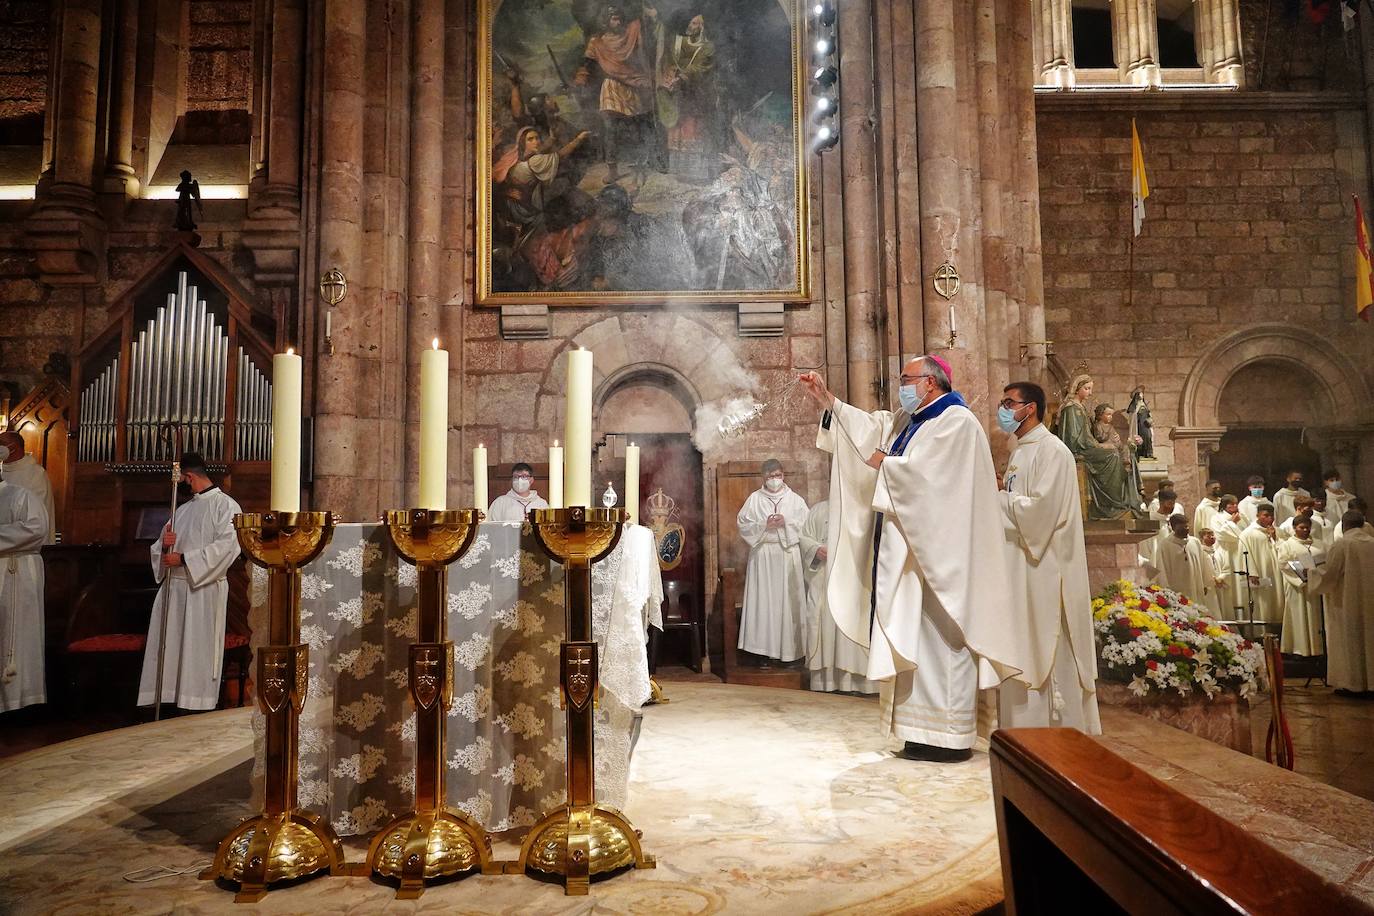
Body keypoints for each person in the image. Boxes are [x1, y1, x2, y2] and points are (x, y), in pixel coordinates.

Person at [800, 357, 1032, 762]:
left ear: (930, 382)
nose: (900, 386)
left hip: (945, 558)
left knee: (944, 644)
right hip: (913, 555)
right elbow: (871, 430)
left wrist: (885, 465)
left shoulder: (956, 422)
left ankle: (951, 739)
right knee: (914, 641)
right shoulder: (913, 422)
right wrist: (828, 400)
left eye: (906, 380)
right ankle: (918, 733)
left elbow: (931, 481)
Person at [996, 381, 1100, 733]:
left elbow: (1041, 512)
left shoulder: (1053, 451)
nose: (1004, 409)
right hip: (1023, 567)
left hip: (1046, 569)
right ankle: (1022, 734)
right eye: (1004, 402)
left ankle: (1056, 731)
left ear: (1032, 408)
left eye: (1010, 403)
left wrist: (996, 498)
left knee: (1048, 647)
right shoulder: (1021, 449)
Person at [139, 453, 242, 712]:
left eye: (184, 480)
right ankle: (169, 700)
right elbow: (160, 549)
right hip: (174, 590)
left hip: (202, 589)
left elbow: (228, 547)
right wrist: (163, 547)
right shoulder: (181, 510)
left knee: (197, 649)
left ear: (189, 476)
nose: (183, 485)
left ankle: (196, 702)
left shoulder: (227, 506)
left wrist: (184, 559)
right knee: (171, 649)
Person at [799, 497, 875, 694]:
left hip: (855, 579)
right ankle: (826, 682)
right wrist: (816, 550)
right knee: (826, 624)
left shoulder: (864, 506)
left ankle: (859, 683)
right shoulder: (819, 509)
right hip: (824, 578)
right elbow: (804, 537)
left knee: (852, 626)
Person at [737, 459, 808, 665]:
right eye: (770, 477)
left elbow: (807, 524)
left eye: (777, 475)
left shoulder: (795, 500)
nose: (774, 480)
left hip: (787, 555)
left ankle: (791, 654)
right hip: (763, 554)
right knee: (764, 603)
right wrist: (763, 524)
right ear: (763, 478)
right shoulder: (754, 499)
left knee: (788, 603)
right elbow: (742, 523)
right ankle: (763, 653)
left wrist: (787, 523)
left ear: (783, 475)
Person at [1052, 373, 1141, 519]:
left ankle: (1119, 501)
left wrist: (1107, 441)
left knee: (1120, 450)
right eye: (1087, 388)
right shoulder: (1071, 409)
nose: (1090, 392)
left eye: (1090, 389)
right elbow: (1074, 438)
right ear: (1077, 388)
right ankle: (1110, 504)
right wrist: (1100, 446)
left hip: (1087, 446)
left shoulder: (1080, 408)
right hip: (1078, 449)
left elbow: (1092, 432)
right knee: (1111, 455)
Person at [0, 443, 48, 712]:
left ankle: (20, 702)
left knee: (16, 638)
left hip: (15, 572)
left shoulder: (20, 495)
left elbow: (36, 528)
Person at [1310, 511, 1374, 695]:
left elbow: (1329, 574)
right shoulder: (1372, 543)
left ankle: (1353, 684)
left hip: (1348, 602)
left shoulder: (1342, 544)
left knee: (1351, 641)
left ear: (1344, 525)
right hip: (1370, 603)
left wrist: (1312, 572)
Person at [1277, 516, 1325, 657]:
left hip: (1315, 586)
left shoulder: (1319, 544)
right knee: (1300, 615)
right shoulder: (1287, 545)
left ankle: (1317, 649)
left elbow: (1325, 561)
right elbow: (1283, 563)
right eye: (1301, 527)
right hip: (1297, 586)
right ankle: (1300, 649)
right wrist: (1301, 573)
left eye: (1307, 527)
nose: (1305, 530)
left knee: (1315, 616)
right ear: (1294, 528)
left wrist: (1317, 570)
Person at [0, 431, 55, 544]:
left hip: (24, 543)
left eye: (1, 443)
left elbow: (36, 515)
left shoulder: (36, 474)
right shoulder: (1, 472)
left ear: (14, 447)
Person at [1237, 503, 1285, 627]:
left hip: (1277, 574)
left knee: (1278, 602)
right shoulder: (1248, 534)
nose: (1270, 518)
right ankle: (1262, 633)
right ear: (1258, 515)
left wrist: (1274, 537)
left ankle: (1278, 629)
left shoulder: (1278, 531)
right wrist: (1251, 572)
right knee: (1263, 605)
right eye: (1266, 515)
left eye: (1272, 516)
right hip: (1260, 574)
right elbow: (1244, 552)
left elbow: (1285, 548)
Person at [1148, 515, 1212, 606]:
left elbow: (1203, 564)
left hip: (1195, 587)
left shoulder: (1195, 542)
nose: (1186, 529)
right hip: (1176, 591)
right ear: (1173, 527)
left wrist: (1205, 585)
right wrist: (1165, 589)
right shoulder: (1165, 545)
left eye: (1186, 526)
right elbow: (1161, 569)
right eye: (1182, 527)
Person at [1138, 488, 1179, 569]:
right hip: (1157, 562)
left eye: (1173, 503)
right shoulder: (1151, 522)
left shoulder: (1170, 521)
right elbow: (1147, 546)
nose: (1172, 506)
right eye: (1169, 503)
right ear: (1161, 503)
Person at [1198, 528, 1231, 618]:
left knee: (1223, 609)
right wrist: (1211, 579)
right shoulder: (1199, 553)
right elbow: (1199, 570)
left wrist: (1221, 578)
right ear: (1201, 538)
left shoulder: (1220, 551)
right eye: (1208, 535)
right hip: (1209, 587)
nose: (1212, 537)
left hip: (1221, 585)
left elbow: (1227, 567)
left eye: (1213, 535)